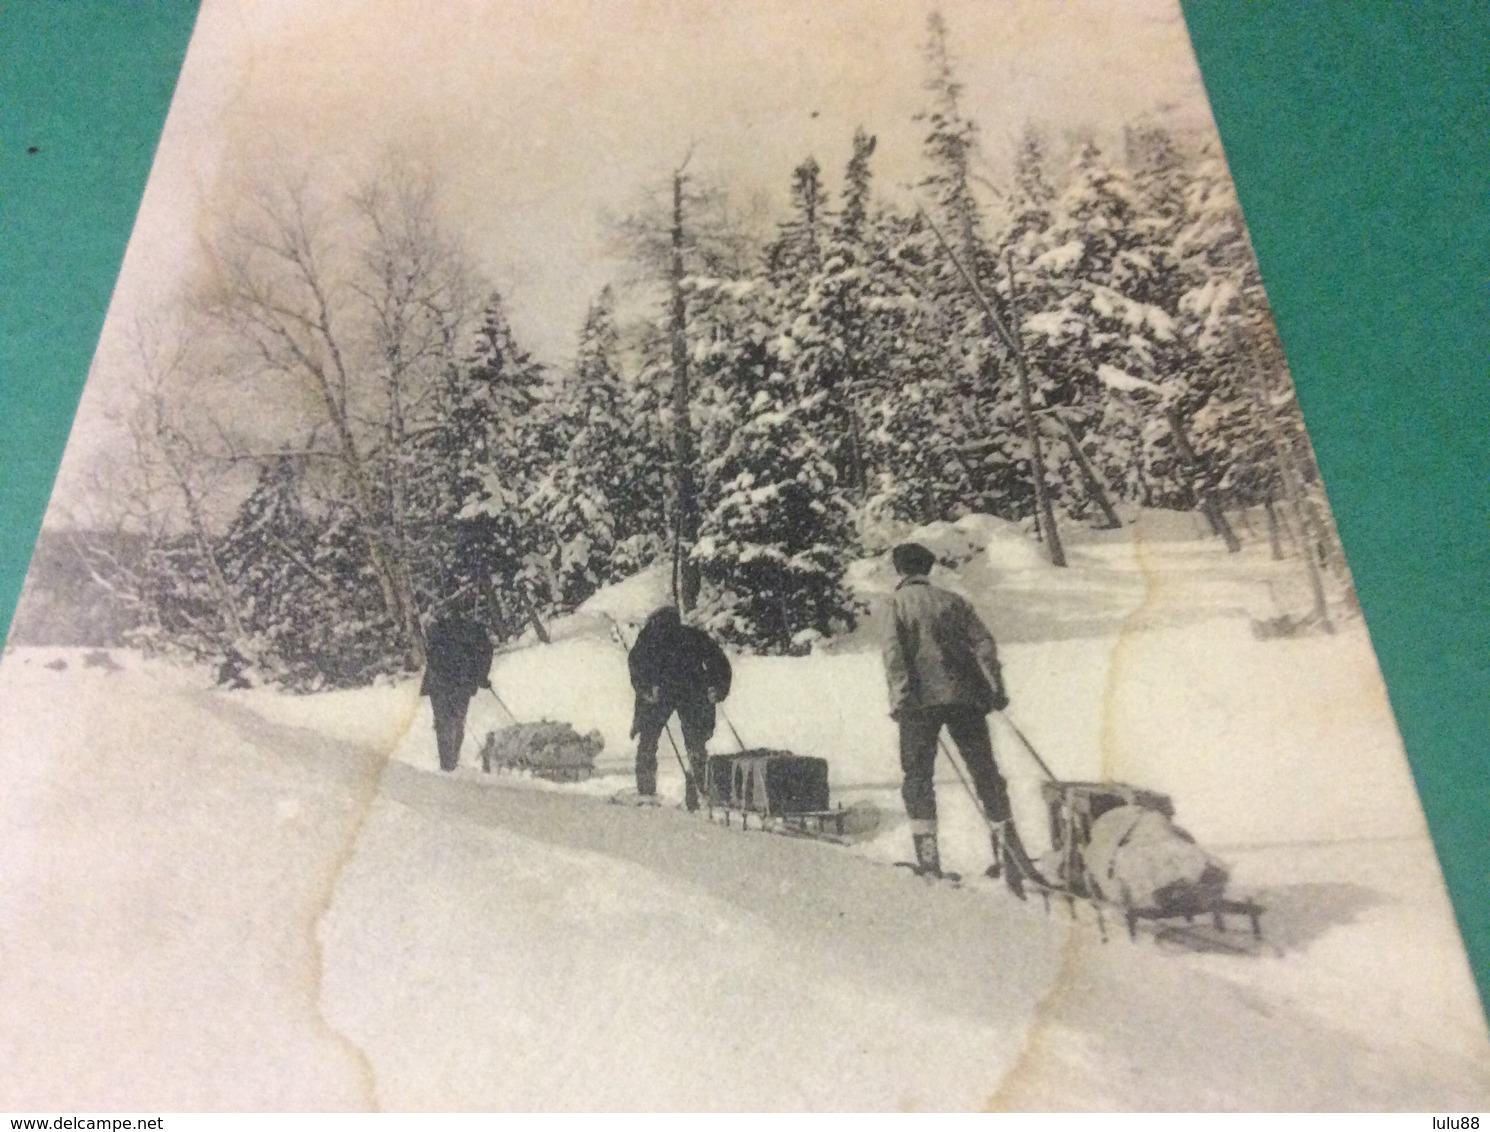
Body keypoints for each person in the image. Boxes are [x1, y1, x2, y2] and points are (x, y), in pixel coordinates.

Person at [880, 542, 1037, 896]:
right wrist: (995, 687)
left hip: (920, 706)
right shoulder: (953, 601)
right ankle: (1009, 853)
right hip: (967, 701)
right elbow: (985, 644)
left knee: (918, 777)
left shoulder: (897, 603)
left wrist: (901, 697)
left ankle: (929, 859)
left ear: (899, 569)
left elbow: (894, 655)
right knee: (986, 774)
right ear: (929, 568)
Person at [628, 605, 732, 810]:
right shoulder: (693, 636)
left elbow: (636, 666)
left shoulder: (648, 638)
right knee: (696, 744)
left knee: (648, 741)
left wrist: (647, 689)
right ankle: (700, 788)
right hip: (693, 690)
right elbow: (719, 662)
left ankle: (647, 791)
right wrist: (717, 688)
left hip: (662, 693)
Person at [420, 613, 495, 772]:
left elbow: (428, 653)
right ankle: (451, 760)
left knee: (443, 722)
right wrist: (481, 678)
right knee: (457, 720)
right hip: (462, 682)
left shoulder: (437, 628)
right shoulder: (475, 630)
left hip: (440, 682)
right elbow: (486, 653)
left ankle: (447, 763)